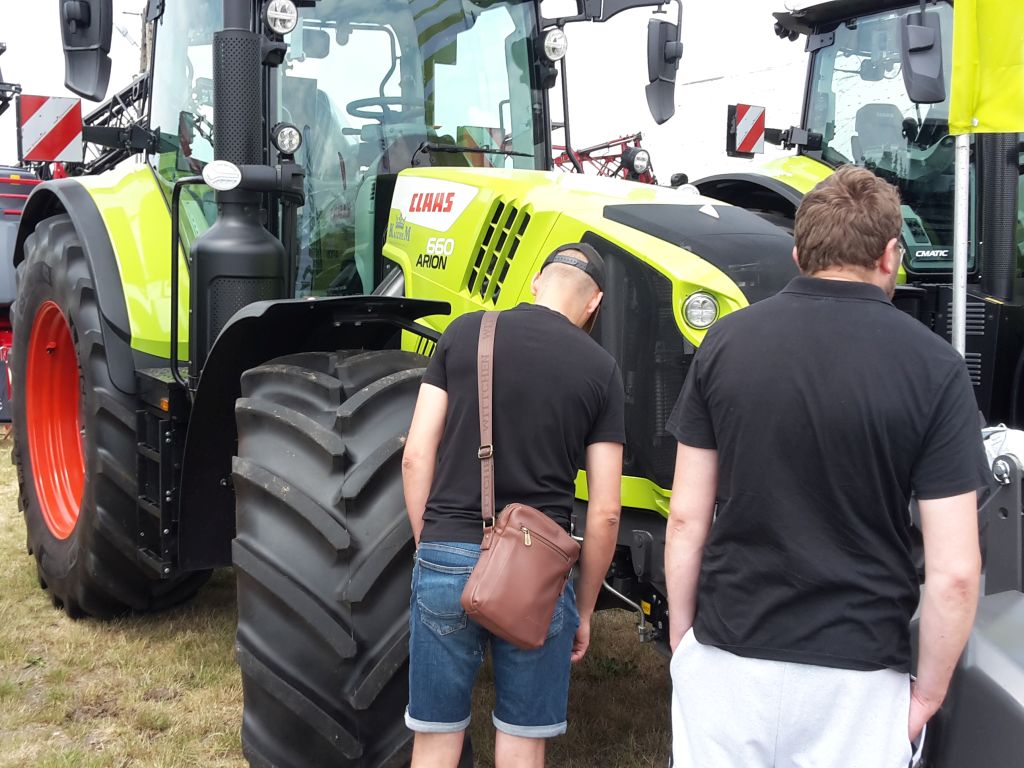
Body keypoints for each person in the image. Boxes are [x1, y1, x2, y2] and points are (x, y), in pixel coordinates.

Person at [664, 165, 989, 768]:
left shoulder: (725, 344)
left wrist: (682, 641)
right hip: (860, 676)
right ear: (891, 255)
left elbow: (686, 519)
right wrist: (930, 693)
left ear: (797, 252)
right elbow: (955, 573)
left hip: (732, 655)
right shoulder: (936, 366)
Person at [401, 243, 625, 768]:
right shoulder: (601, 369)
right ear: (594, 304)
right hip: (536, 575)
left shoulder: (464, 332)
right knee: (522, 741)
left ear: (536, 284)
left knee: (434, 739)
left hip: (445, 550)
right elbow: (607, 510)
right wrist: (585, 609)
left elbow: (415, 457)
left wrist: (431, 549)